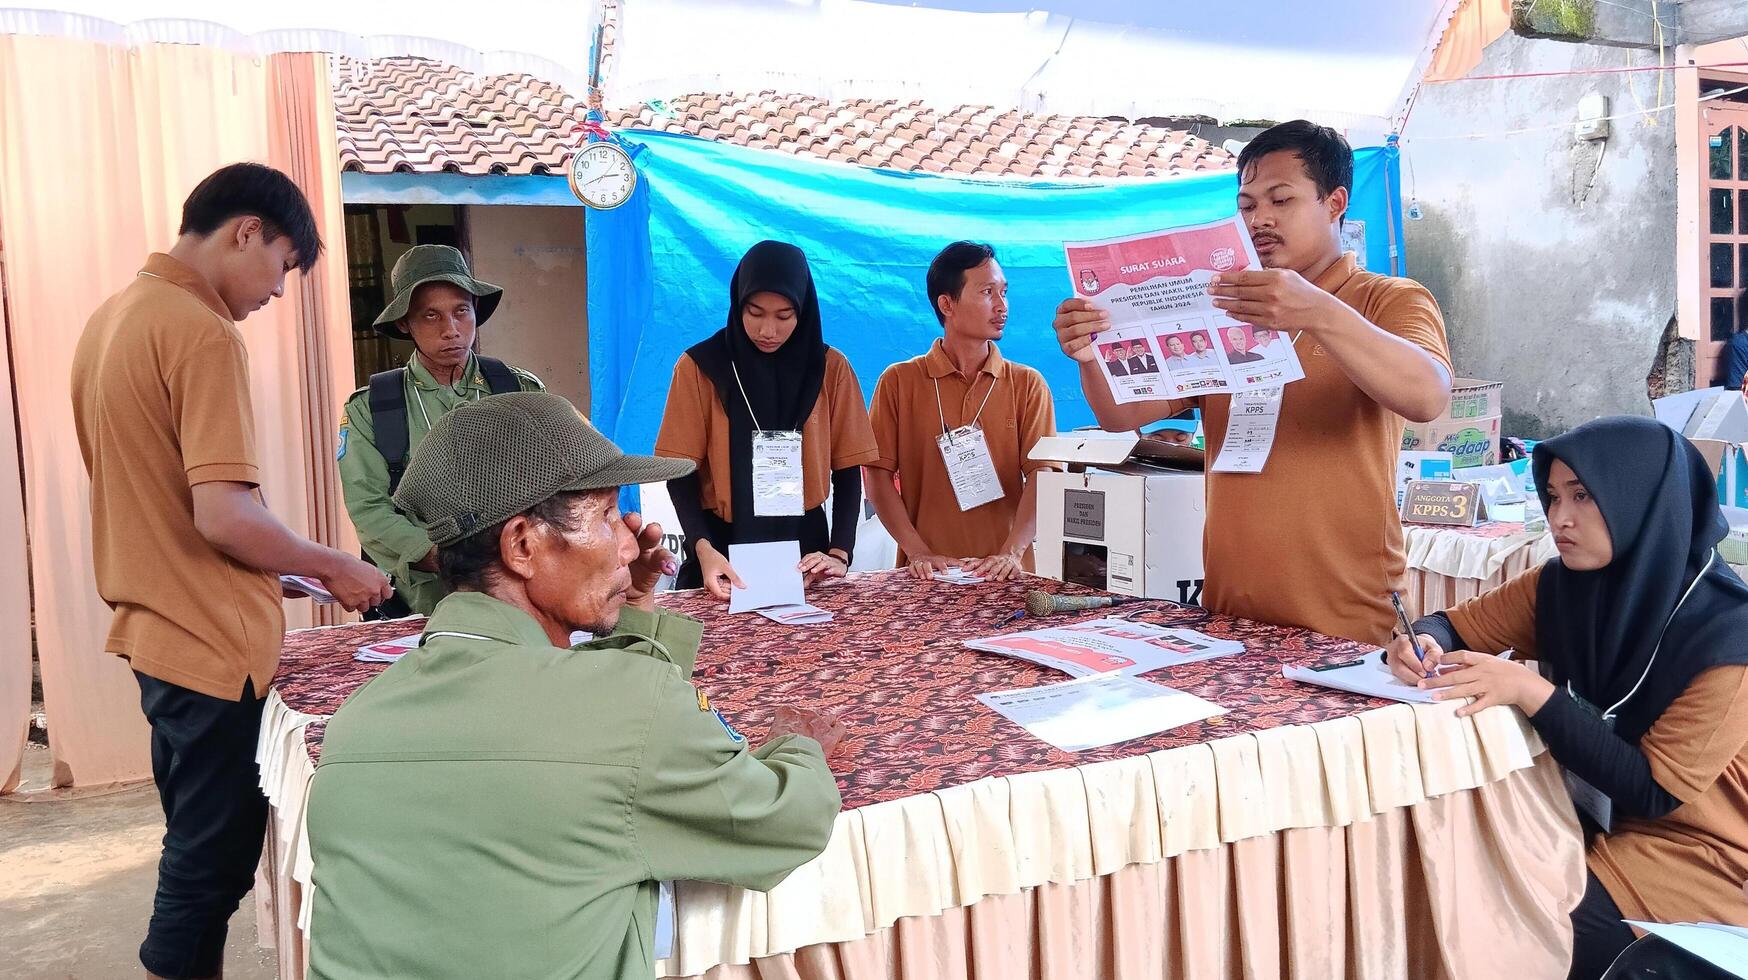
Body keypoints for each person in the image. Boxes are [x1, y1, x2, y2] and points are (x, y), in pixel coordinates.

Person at [307, 392, 845, 980]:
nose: (628, 544)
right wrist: (800, 745)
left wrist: (632, 604)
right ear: (522, 545)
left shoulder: (354, 722)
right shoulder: (628, 707)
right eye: (608, 515)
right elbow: (786, 819)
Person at [70, 163, 392, 980]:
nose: (279, 292)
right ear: (247, 230)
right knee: (206, 870)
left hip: (160, 634)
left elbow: (160, 509)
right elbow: (223, 515)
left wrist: (278, 574)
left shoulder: (112, 320)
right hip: (208, 649)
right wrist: (334, 565)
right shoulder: (202, 330)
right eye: (283, 265)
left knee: (196, 851)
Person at [1053, 119, 1451, 644]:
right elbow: (1120, 416)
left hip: (1346, 618)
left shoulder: (1388, 299)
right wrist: (1088, 356)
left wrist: (1318, 312)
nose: (1259, 218)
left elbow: (1428, 397)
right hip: (1228, 612)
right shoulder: (1223, 308)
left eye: (1280, 200)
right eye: (1246, 206)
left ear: (1335, 203)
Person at [1386, 418, 1748, 980]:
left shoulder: (1731, 636)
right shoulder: (1560, 586)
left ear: (1640, 498)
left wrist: (1532, 693)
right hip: (1586, 819)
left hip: (1704, 852)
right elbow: (1453, 626)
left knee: (1527, 934)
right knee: (1438, 877)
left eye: (1583, 496)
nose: (1560, 518)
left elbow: (1655, 791)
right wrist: (1419, 643)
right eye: (1553, 497)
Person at [655, 241, 880, 598]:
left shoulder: (830, 369)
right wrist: (703, 548)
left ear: (803, 311)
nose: (767, 330)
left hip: (808, 553)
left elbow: (848, 470)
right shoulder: (701, 368)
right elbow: (680, 473)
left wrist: (839, 552)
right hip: (721, 548)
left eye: (784, 315)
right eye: (755, 312)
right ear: (738, 302)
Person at [338, 244, 544, 616]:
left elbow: (554, 488)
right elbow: (369, 507)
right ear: (405, 323)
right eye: (430, 316)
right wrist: (444, 559)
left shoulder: (518, 390)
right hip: (421, 604)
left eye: (461, 312)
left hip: (518, 595)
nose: (451, 330)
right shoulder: (375, 407)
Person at [868, 241, 1059, 582]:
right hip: (926, 576)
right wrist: (917, 551)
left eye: (1004, 292)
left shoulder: (1027, 384)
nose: (1002, 306)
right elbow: (877, 477)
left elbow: (1043, 475)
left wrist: (1011, 552)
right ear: (947, 304)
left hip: (1006, 576)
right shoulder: (898, 382)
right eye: (987, 292)